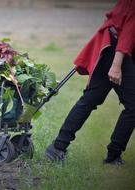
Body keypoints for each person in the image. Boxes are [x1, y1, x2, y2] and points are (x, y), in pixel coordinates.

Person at [45, 0, 135, 165]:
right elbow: (129, 30)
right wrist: (116, 66)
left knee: (91, 99)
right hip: (117, 50)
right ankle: (113, 155)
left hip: (112, 47)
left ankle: (58, 147)